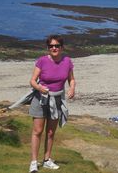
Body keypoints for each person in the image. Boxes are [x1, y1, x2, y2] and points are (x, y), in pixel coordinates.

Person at [28, 34, 75, 173]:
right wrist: (39, 88)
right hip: (41, 99)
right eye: (51, 46)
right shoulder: (42, 61)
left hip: (57, 99)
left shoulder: (67, 61)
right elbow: (32, 80)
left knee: (50, 132)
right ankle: (34, 163)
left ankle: (47, 159)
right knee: (37, 131)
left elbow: (71, 79)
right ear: (48, 48)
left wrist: (72, 88)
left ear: (62, 47)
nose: (54, 48)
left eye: (57, 46)